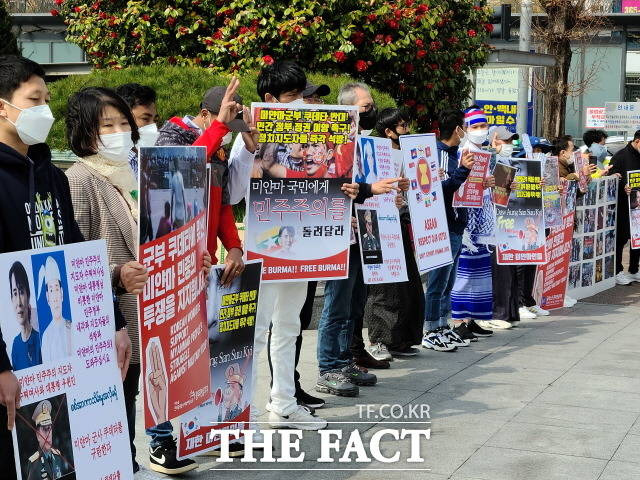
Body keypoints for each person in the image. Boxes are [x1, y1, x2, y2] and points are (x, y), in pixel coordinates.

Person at [0, 55, 130, 480]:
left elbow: (79, 254)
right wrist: (0, 366)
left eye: (47, 99)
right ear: (3, 106)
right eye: (34, 99)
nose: (45, 111)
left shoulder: (51, 176)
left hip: (66, 351)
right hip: (11, 358)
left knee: (65, 456)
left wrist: (113, 322)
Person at [64, 86, 189, 477]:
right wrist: (114, 277)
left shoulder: (133, 173)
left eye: (123, 123)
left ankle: (133, 461)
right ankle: (121, 465)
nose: (120, 131)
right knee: (114, 401)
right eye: (107, 125)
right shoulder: (80, 179)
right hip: (111, 315)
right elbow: (75, 260)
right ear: (85, 133)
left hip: (147, 309)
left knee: (135, 390)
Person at [151, 80, 245, 458]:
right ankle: (161, 439)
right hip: (170, 267)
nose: (225, 138)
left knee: (206, 352)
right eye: (221, 125)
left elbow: (221, 204)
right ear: (205, 116)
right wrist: (219, 130)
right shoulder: (170, 137)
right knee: (168, 357)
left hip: (205, 266)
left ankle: (207, 428)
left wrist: (234, 247)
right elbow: (177, 173)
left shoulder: (216, 149)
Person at [316, 82, 406, 398]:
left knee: (355, 302)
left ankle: (345, 359)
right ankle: (328, 366)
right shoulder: (333, 143)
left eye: (371, 104)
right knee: (337, 304)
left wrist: (389, 197)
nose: (371, 110)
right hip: (341, 233)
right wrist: (370, 190)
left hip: (365, 231)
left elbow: (369, 186)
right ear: (348, 108)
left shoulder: (368, 144)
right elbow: (335, 186)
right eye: (365, 106)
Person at [364, 107, 424, 361]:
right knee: (384, 286)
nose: (407, 130)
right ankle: (380, 340)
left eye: (408, 124)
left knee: (407, 283)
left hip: (398, 221)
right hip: (375, 223)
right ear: (388, 132)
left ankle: (402, 338)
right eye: (401, 126)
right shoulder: (374, 152)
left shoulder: (409, 154)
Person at [422, 112, 479, 352]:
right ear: (458, 129)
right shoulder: (440, 155)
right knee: (438, 282)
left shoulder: (454, 155)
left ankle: (443, 326)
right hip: (442, 225)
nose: (466, 131)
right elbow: (439, 188)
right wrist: (463, 172)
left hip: (456, 225)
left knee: (448, 282)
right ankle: (430, 329)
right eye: (465, 127)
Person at [449, 107, 500, 332]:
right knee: (465, 272)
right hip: (468, 222)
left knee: (478, 271)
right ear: (465, 129)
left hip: (481, 220)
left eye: (483, 126)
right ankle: (459, 320)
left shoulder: (484, 152)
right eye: (475, 127)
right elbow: (459, 184)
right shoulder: (465, 152)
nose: (481, 130)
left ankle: (471, 318)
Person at [607, 130, 640, 285]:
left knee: (637, 238)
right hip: (623, 204)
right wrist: (623, 186)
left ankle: (634, 269)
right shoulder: (620, 156)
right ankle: (617, 271)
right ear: (638, 141)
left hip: (637, 204)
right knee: (621, 238)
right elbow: (610, 177)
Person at [115, 83, 160, 176]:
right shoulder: (107, 164)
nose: (153, 127)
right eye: (145, 119)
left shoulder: (150, 160)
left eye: (155, 120)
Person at [26, 400, 73, 480]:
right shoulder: (34, 463)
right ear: (38, 435)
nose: (48, 435)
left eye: (49, 429)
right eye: (44, 429)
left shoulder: (58, 456)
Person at [38, 256, 72, 361]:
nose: (55, 298)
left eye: (57, 289)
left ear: (62, 293)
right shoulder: (46, 336)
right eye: (51, 290)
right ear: (48, 297)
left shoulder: (72, 327)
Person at [9, 261, 41, 370]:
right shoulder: (15, 345)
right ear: (11, 299)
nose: (19, 302)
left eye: (21, 292)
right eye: (15, 293)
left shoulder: (40, 341)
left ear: (28, 295)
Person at [168, 157, 187, 229]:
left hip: (177, 212)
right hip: (180, 211)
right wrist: (185, 211)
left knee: (178, 231)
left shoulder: (174, 178)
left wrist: (171, 216)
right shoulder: (179, 176)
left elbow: (172, 199)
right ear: (178, 164)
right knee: (181, 230)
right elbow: (183, 194)